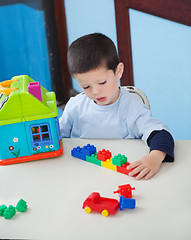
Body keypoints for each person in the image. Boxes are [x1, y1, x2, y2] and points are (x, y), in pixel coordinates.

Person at [59, 33, 174, 180]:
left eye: (102, 83)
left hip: (120, 177)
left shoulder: (131, 108)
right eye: (86, 86)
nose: (95, 91)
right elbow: (57, 137)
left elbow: (160, 133)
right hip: (80, 176)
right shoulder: (75, 106)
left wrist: (155, 157)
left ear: (118, 71)